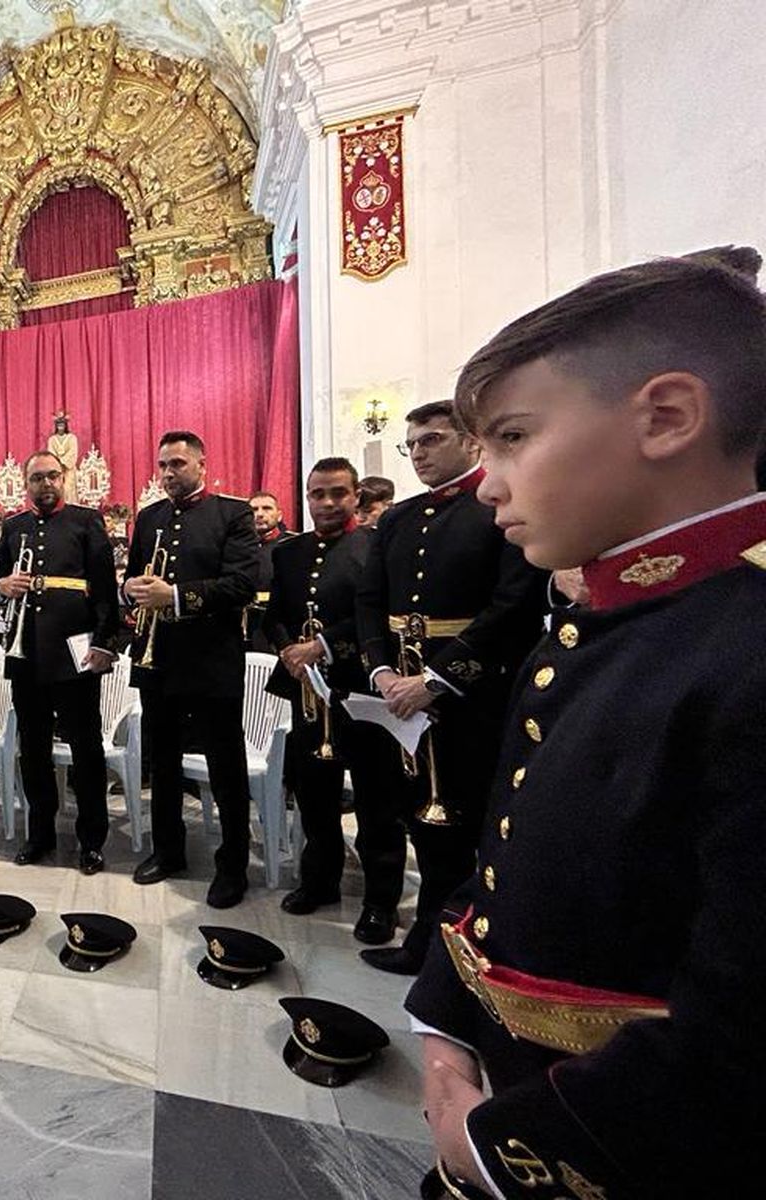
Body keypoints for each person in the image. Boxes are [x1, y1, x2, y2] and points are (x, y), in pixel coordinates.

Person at [409, 247, 766, 1198]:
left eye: (515, 437)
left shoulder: (742, 647)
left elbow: (740, 1038)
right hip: (504, 1073)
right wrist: (447, 1029)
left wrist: (495, 1146)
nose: (487, 483)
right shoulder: (604, 621)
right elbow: (510, 862)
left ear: (667, 417)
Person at [356, 402, 546, 975]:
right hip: (399, 692)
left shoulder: (497, 505)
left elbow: (514, 607)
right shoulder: (398, 517)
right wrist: (381, 671)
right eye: (410, 444)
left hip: (473, 696)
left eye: (431, 440)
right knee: (420, 819)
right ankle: (431, 944)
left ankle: (467, 946)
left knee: (472, 825)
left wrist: (435, 681)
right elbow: (370, 601)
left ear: (470, 441)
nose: (418, 453)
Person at [261, 460, 400, 944]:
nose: (325, 503)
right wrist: (287, 650)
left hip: (361, 688)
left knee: (376, 799)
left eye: (336, 494)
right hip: (307, 693)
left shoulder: (377, 545)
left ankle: (381, 901)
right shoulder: (290, 551)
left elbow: (381, 615)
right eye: (316, 494)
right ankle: (318, 882)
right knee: (313, 794)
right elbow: (274, 613)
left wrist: (323, 646)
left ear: (355, 495)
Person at [122, 431, 261, 908]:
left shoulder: (233, 512)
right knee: (160, 763)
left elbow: (243, 584)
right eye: (162, 465)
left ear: (202, 463)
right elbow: (129, 578)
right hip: (156, 659)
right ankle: (168, 851)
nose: (168, 473)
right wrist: (132, 591)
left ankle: (233, 866)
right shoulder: (150, 517)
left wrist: (176, 597)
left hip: (210, 661)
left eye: (178, 464)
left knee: (225, 767)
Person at [0, 451, 119, 873]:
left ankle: (91, 840)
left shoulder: (86, 520)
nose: (44, 484)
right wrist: (2, 584)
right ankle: (40, 834)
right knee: (33, 750)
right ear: (25, 484)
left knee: (86, 748)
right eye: (36, 478)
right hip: (26, 654)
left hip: (76, 652)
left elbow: (104, 588)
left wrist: (105, 642)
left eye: (51, 476)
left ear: (64, 478)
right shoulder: (13, 527)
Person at [246, 489, 296, 651]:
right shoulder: (239, 547)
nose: (259, 514)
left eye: (267, 508)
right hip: (247, 625)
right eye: (254, 510)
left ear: (279, 515)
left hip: (282, 625)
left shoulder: (292, 544)